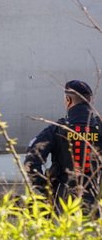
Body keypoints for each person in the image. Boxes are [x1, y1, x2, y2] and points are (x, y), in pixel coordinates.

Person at [25, 79, 101, 208]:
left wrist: (47, 190)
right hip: (97, 201)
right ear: (90, 101)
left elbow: (31, 162)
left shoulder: (56, 129)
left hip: (64, 201)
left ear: (68, 100)